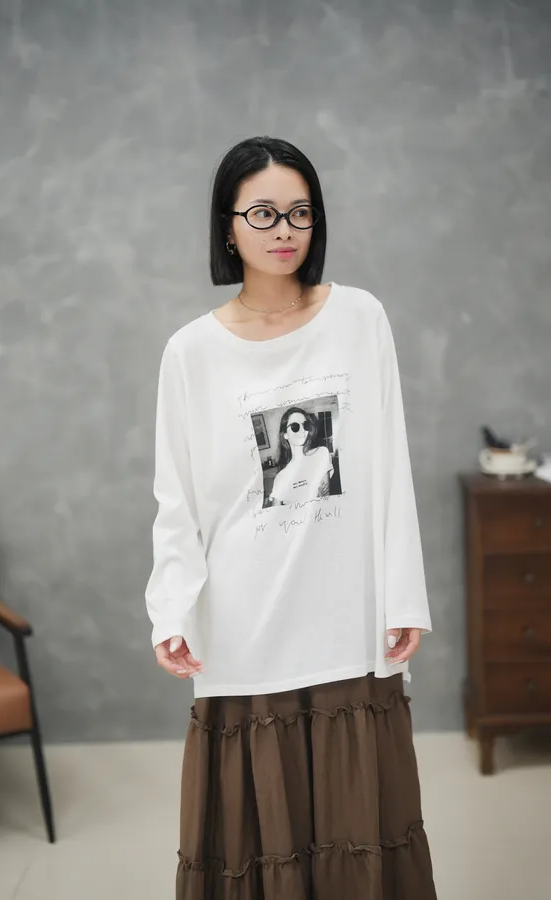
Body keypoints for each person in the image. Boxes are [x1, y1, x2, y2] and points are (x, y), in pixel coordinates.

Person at [145, 136, 437, 899]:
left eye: (300, 212)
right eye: (265, 213)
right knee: (259, 837)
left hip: (346, 617)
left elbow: (391, 463)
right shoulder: (190, 353)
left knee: (359, 826)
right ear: (228, 225)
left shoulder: (360, 319)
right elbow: (177, 498)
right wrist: (171, 608)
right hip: (245, 626)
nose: (285, 230)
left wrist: (403, 593)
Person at [267, 406, 334, 506]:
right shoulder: (281, 477)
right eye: (295, 427)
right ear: (285, 434)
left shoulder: (321, 453)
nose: (302, 430)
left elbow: (325, 499)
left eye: (305, 425)